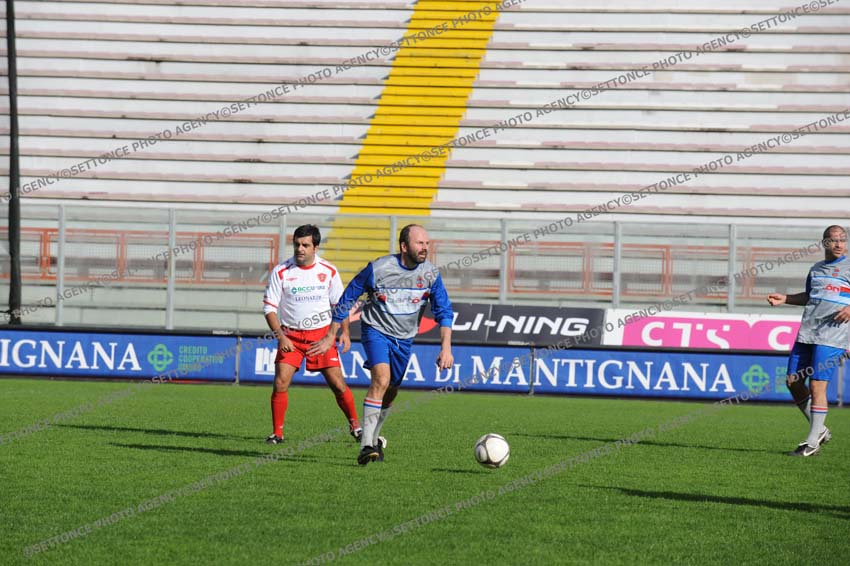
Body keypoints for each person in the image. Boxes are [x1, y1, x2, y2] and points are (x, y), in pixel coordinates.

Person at [308, 224, 454, 465]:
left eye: (427, 243)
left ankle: (374, 439)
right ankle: (365, 445)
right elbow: (348, 297)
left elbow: (444, 311)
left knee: (392, 390)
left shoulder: (431, 274)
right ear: (404, 246)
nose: (425, 248)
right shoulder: (378, 269)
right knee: (381, 380)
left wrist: (446, 348)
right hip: (376, 330)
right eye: (419, 243)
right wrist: (331, 334)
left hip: (404, 338)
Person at [262, 224, 360, 444]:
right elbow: (269, 308)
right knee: (280, 382)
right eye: (297, 244)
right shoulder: (281, 271)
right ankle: (277, 433)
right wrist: (281, 336)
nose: (300, 249)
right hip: (291, 336)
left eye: (305, 245)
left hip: (322, 337)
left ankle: (356, 426)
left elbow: (340, 305)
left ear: (315, 247)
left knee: (338, 384)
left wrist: (345, 332)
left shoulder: (329, 270)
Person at [767, 225, 850, 456]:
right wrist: (785, 298)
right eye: (833, 240)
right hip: (808, 332)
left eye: (843, 239)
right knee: (792, 381)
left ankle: (812, 443)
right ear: (824, 243)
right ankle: (820, 430)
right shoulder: (815, 269)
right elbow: (810, 296)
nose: (839, 244)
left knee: (817, 385)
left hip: (833, 334)